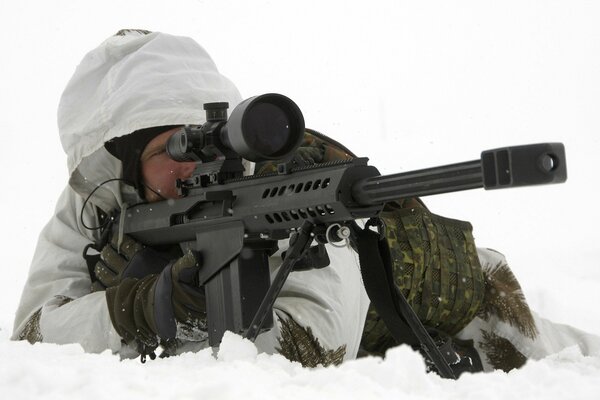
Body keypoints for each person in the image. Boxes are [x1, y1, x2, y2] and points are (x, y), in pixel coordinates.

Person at [12, 29, 600, 373]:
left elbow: (307, 353)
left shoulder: (293, 190)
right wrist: (137, 307)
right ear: (122, 161)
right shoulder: (99, 204)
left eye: (199, 138)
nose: (196, 164)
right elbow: (33, 339)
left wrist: (175, 313)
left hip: (470, 307)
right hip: (374, 348)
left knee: (571, 363)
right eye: (172, 147)